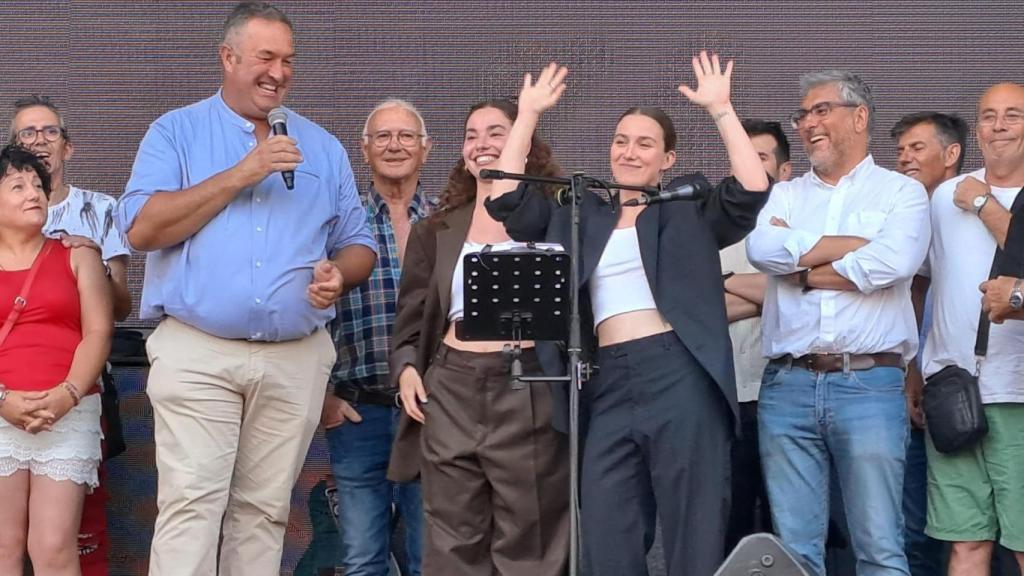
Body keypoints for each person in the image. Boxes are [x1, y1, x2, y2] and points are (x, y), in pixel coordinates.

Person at [114, 2, 377, 574]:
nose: (278, 73)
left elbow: (359, 243)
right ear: (228, 58)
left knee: (264, 513)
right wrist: (243, 171)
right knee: (191, 506)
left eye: (288, 60)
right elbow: (142, 229)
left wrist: (340, 272)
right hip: (199, 350)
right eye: (266, 58)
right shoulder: (176, 132)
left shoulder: (323, 146)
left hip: (294, 357)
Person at [486, 53, 771, 575]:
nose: (629, 151)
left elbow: (750, 188)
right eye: (620, 141)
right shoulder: (580, 213)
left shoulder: (685, 208)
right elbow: (506, 200)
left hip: (679, 372)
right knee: (607, 526)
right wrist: (527, 115)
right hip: (605, 378)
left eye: (644, 143)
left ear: (667, 158)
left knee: (694, 528)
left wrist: (721, 110)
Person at [746, 70, 930, 576]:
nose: (808, 123)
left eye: (821, 110)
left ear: (860, 116)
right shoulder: (784, 194)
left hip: (868, 382)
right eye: (802, 114)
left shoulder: (902, 192)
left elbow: (892, 264)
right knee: (794, 553)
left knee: (879, 548)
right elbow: (761, 250)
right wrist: (854, 247)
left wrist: (801, 270)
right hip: (788, 383)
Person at [388, 67, 570, 576]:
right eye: (471, 135)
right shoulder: (436, 229)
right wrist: (407, 368)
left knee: (530, 534)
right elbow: (411, 318)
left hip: (527, 382)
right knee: (451, 536)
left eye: (496, 133)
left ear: (525, 142)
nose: (481, 144)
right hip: (452, 384)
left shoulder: (555, 214)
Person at [11, 94, 134, 576]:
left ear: (68, 146)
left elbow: (119, 308)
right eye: (27, 133)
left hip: (79, 386)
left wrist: (91, 265)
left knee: (76, 533)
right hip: (9, 391)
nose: (39, 141)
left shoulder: (99, 210)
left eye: (50, 131)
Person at [920, 82, 1024, 576]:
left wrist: (985, 204)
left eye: (1013, 115)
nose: (999, 126)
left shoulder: (970, 196)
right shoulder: (945, 195)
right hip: (952, 388)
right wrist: (914, 370)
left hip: (1018, 391)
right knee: (965, 542)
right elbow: (922, 283)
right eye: (988, 116)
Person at [324, 98, 430, 576]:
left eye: (406, 136)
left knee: (431, 559)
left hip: (431, 412)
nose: (395, 145)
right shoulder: (339, 224)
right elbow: (310, 312)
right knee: (362, 560)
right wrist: (322, 397)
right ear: (363, 149)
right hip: (357, 411)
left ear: (426, 149)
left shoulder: (448, 219)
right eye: (382, 136)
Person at [0, 144, 112, 575]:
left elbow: (98, 332)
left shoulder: (78, 254)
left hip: (67, 410)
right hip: (1, 409)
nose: (34, 193)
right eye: (17, 186)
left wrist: (68, 394)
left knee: (53, 547)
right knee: (4, 546)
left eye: (38, 185)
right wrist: (3, 399)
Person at [890, 111, 967, 576]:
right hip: (928, 384)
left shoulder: (976, 202)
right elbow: (917, 292)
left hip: (988, 383)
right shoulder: (908, 210)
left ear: (952, 153)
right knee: (914, 524)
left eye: (917, 148)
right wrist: (912, 372)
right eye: (900, 150)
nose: (904, 158)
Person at [722, 118, 791, 552]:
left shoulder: (799, 221)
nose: (748, 164)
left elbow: (806, 289)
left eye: (760, 156)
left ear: (784, 170)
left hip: (786, 395)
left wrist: (724, 280)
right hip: (730, 399)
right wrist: (776, 293)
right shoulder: (714, 225)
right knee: (731, 524)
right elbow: (703, 307)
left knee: (790, 526)